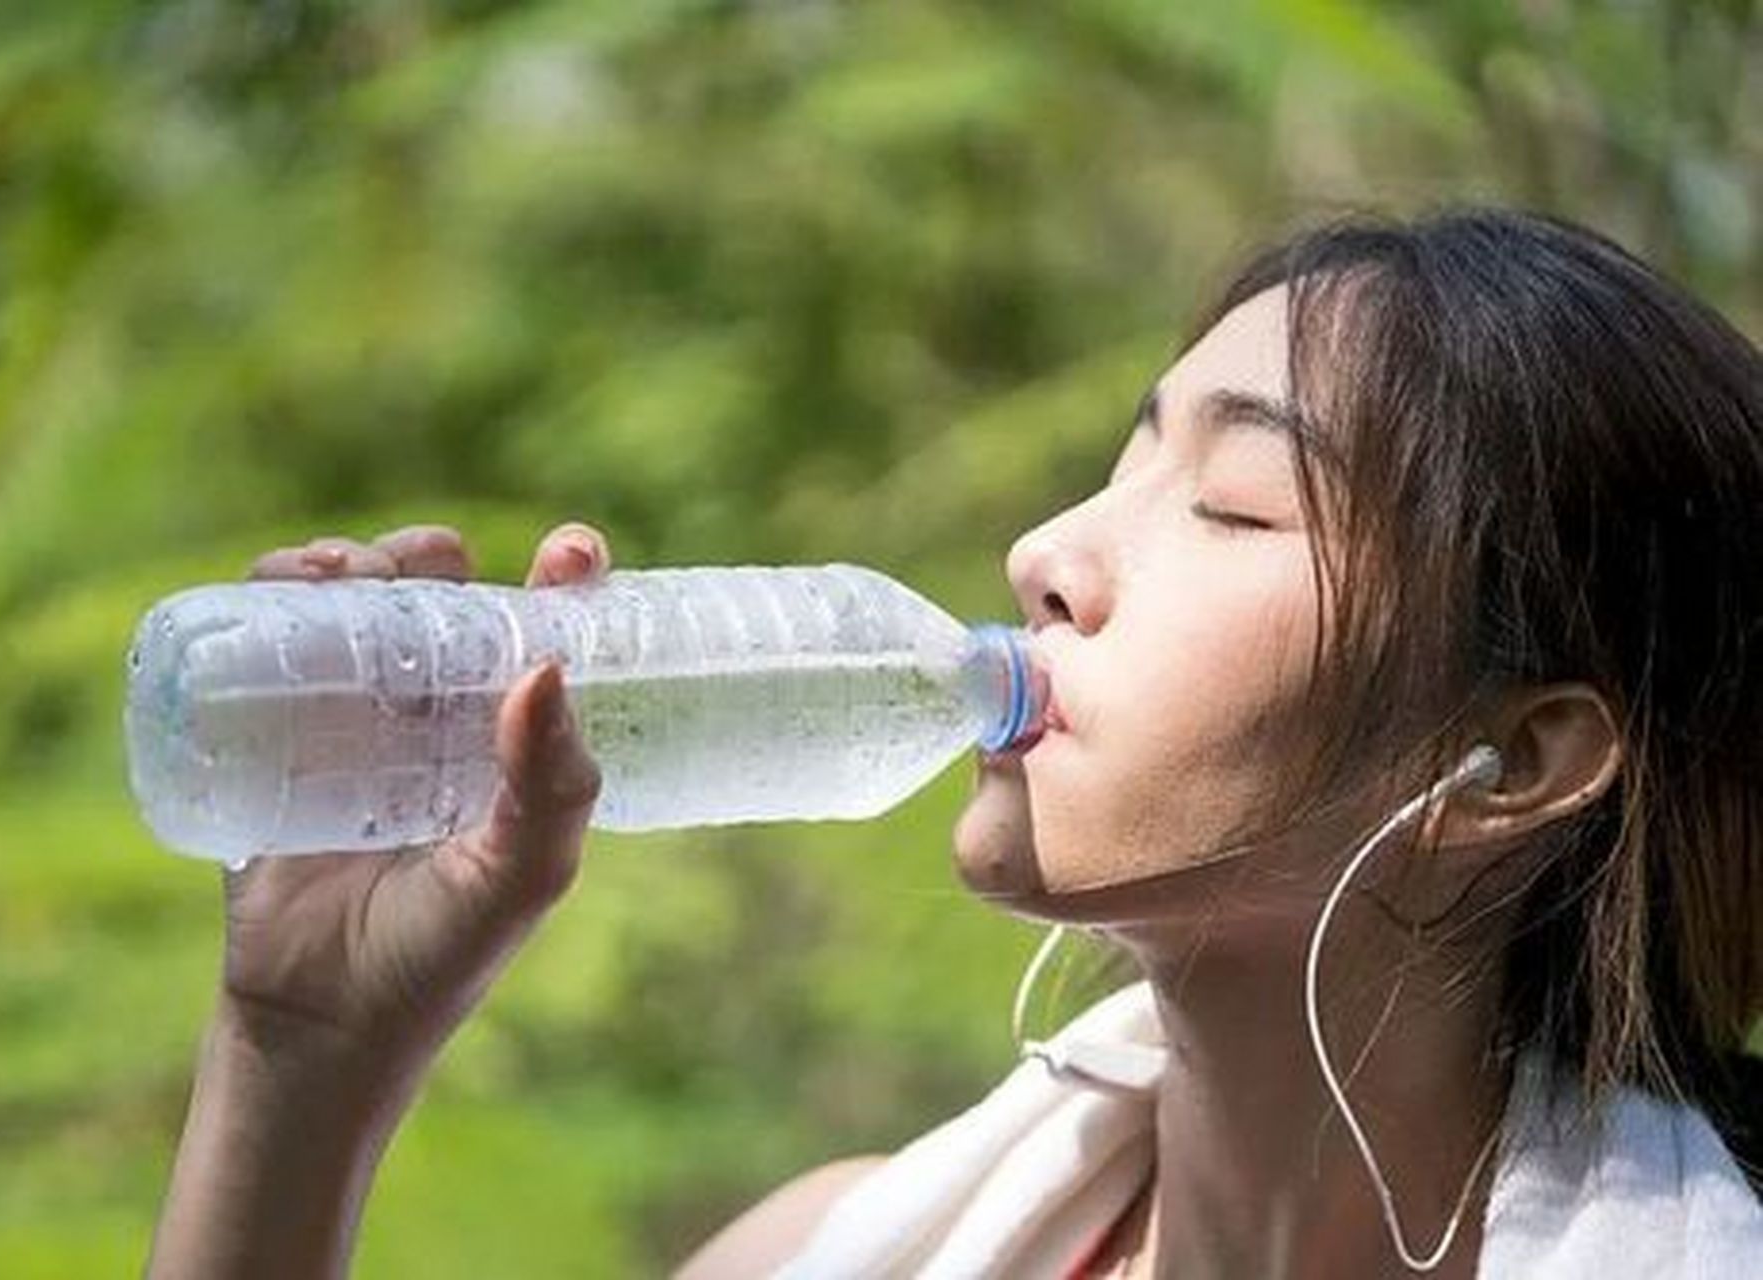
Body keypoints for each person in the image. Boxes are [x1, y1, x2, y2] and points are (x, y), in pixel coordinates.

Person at [145, 208, 1763, 1279]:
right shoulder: (828, 1254)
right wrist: (304, 1058)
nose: (1047, 551)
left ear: (1516, 759)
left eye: (1232, 502)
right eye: (1120, 464)